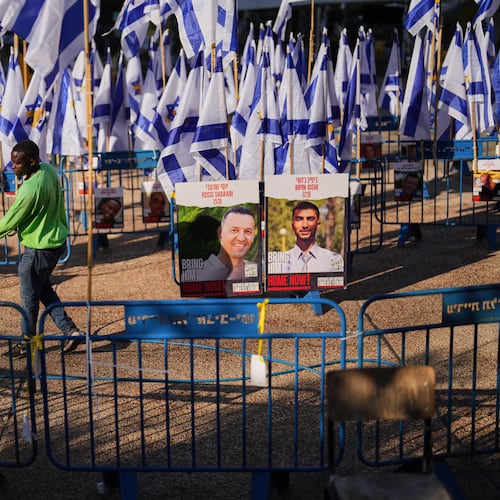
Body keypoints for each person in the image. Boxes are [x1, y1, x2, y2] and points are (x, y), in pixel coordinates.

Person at [0, 140, 84, 358]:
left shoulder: (29, 190)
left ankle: (27, 343)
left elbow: (8, 221)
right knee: (43, 290)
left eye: (17, 164)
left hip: (38, 249)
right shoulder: (47, 170)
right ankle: (71, 331)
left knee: (28, 300)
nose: (13, 167)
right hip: (55, 243)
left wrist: (15, 223)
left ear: (31, 162)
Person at [187, 206, 258, 281]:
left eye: (248, 231)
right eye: (234, 230)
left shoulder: (254, 269)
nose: (241, 238)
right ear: (220, 232)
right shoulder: (196, 274)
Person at [284, 201, 343, 273]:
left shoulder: (333, 259)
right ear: (293, 225)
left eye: (310, 219)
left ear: (318, 225)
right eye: (299, 219)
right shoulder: (281, 262)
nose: (305, 225)